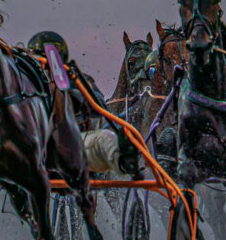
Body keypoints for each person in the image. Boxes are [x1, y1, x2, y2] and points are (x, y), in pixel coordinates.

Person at [27, 31, 141, 177]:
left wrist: (72, 92)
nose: (43, 64)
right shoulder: (23, 84)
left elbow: (100, 108)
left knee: (106, 138)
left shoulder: (78, 80)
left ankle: (126, 165)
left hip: (72, 144)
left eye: (45, 58)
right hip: (33, 146)